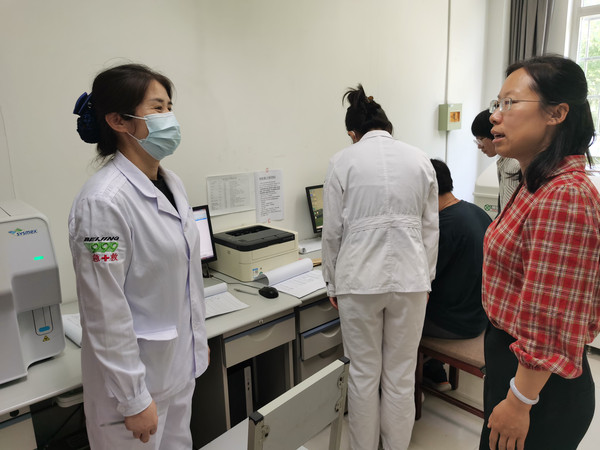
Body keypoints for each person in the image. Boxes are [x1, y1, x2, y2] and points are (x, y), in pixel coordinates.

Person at [68, 64, 209, 449]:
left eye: (169, 107)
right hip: (132, 392)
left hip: (177, 372)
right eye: (157, 108)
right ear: (118, 121)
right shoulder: (102, 202)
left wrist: (197, 342)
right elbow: (104, 311)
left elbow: (182, 280)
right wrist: (133, 398)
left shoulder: (171, 183)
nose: (169, 118)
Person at [481, 55, 600, 450]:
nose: (495, 115)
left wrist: (520, 401)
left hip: (538, 389)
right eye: (497, 103)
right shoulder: (537, 183)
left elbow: (551, 317)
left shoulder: (564, 196)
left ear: (556, 113)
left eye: (510, 103)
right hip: (518, 366)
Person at [322, 84, 439, 450]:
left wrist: (331, 284)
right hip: (411, 281)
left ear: (352, 133)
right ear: (388, 127)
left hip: (358, 282)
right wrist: (426, 279)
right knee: (401, 376)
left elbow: (332, 233)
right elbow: (431, 228)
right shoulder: (420, 159)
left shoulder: (342, 161)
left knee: (362, 375)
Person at [422, 159, 491, 391]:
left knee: (392, 320)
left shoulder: (443, 226)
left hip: (455, 324)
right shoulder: (477, 213)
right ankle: (435, 372)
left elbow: (422, 278)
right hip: (480, 316)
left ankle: (408, 388)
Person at [471, 109, 521, 214]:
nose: (479, 146)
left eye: (480, 139)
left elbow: (508, 212)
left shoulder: (513, 164)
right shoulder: (504, 161)